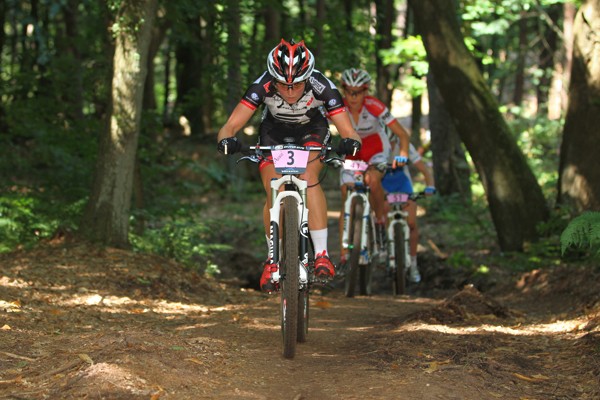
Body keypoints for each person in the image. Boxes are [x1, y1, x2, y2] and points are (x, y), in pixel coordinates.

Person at [217, 39, 362, 292]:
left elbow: (349, 131)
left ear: (308, 77)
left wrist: (350, 143)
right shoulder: (261, 85)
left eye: (297, 85)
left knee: (308, 176)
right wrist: (225, 140)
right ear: (273, 79)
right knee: (274, 186)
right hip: (274, 133)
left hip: (312, 132)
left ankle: (322, 254)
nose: (291, 92)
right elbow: (230, 125)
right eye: (284, 85)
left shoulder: (323, 87)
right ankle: (272, 259)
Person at [337, 68, 411, 263]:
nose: (353, 97)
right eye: (348, 91)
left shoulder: (375, 106)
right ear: (343, 90)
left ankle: (379, 220)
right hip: (353, 151)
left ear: (365, 92)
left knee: (373, 179)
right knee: (345, 191)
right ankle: (344, 251)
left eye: (358, 92)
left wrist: (402, 155)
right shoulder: (337, 106)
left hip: (376, 148)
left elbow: (402, 134)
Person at [382, 140, 436, 283]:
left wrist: (430, 185)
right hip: (383, 183)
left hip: (402, 184)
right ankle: (384, 247)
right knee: (382, 214)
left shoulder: (404, 145)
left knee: (411, 223)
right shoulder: (376, 142)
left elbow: (423, 169)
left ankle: (413, 264)